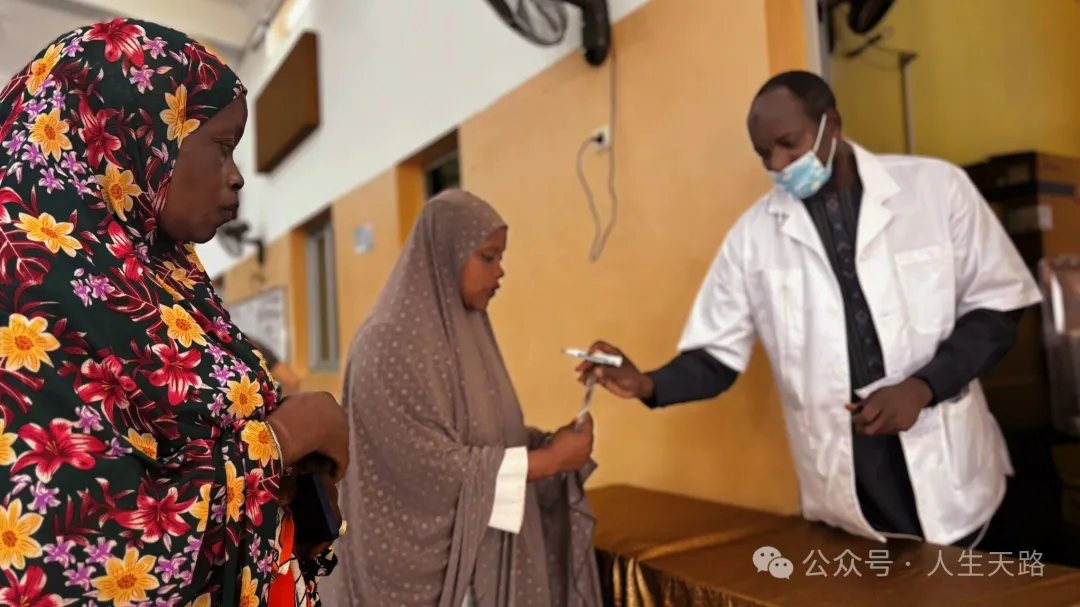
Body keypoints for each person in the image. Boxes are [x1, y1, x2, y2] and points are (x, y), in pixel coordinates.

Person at [578, 71, 1041, 549]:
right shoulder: (753, 238)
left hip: (949, 466)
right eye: (764, 154)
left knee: (969, 581)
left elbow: (998, 306)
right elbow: (715, 357)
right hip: (844, 484)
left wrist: (924, 387)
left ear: (830, 124)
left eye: (788, 144)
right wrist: (647, 383)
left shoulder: (936, 189)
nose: (778, 165)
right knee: (866, 577)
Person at [0, 19, 349, 606]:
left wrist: (285, 491)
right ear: (132, 133)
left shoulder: (153, 273)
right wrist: (285, 438)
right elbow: (66, 558)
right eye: (222, 146)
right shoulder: (26, 291)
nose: (237, 176)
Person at [330, 189, 602, 607]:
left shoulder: (466, 329)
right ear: (446, 254)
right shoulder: (387, 344)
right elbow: (426, 468)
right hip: (410, 572)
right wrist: (549, 461)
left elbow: (483, 430)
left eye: (500, 257)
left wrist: (544, 443)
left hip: (477, 560)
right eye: (488, 257)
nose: (500, 271)